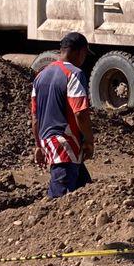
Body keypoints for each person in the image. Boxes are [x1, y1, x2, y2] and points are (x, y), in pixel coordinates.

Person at [31, 32, 94, 198]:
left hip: (49, 142)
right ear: (80, 52)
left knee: (85, 191)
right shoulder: (74, 73)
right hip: (66, 144)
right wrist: (89, 141)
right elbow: (80, 113)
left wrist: (38, 145)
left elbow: (35, 118)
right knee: (60, 199)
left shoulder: (40, 76)